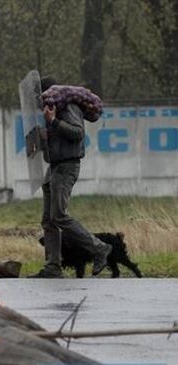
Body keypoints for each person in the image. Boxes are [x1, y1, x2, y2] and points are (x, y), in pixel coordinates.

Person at [30, 76, 112, 278]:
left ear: (50, 92)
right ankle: (52, 267)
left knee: (58, 215)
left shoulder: (68, 107)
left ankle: (99, 248)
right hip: (54, 166)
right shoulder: (52, 108)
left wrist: (54, 122)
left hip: (67, 166)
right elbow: (57, 138)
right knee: (48, 220)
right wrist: (43, 136)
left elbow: (77, 133)